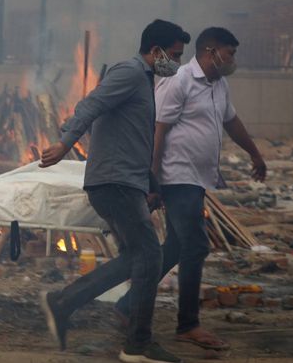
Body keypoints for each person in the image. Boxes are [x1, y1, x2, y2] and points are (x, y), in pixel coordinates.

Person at [40, 19, 190, 363]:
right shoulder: (130, 73)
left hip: (126, 183)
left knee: (136, 258)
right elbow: (90, 105)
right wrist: (64, 143)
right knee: (150, 255)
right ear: (156, 51)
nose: (177, 62)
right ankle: (137, 345)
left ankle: (63, 302)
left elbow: (133, 141)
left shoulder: (145, 81)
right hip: (114, 182)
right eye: (175, 55)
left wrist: (152, 186)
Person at [114, 26, 267, 352]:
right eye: (229, 53)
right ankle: (188, 325)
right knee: (195, 246)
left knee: (175, 247)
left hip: (198, 178)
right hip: (176, 176)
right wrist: (153, 179)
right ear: (211, 51)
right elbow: (158, 129)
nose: (233, 59)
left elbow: (231, 121)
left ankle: (128, 305)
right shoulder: (180, 80)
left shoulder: (219, 84)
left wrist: (254, 153)